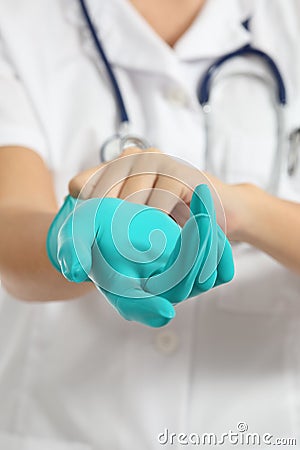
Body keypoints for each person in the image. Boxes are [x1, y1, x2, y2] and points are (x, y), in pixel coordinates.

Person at [0, 0, 299, 448]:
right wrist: (72, 238)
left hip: (253, 428)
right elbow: (10, 224)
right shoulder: (17, 23)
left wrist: (244, 211)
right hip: (63, 428)